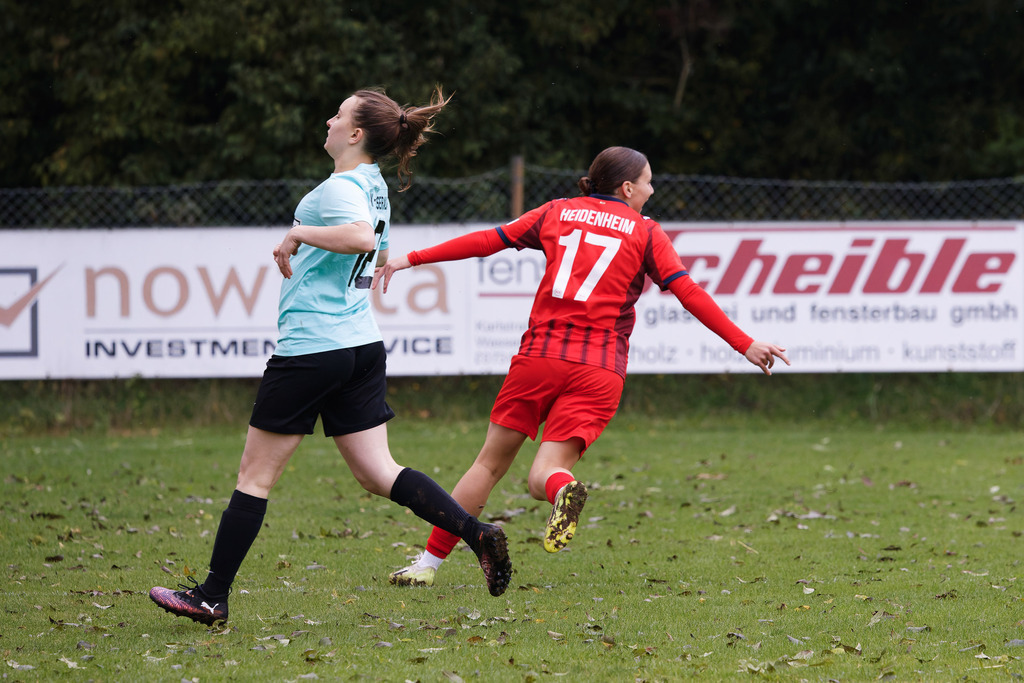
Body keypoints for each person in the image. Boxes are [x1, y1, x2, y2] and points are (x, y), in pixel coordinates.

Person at [149, 86, 512, 626]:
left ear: (356, 134)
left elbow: (363, 239)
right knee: (378, 472)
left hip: (313, 350)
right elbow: (381, 248)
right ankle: (475, 532)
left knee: (254, 478)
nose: (329, 119)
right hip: (360, 346)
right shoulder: (374, 185)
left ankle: (211, 596)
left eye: (338, 115)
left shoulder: (344, 186)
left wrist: (297, 232)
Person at [374, 146, 789, 588]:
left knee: (488, 466)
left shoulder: (557, 211)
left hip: (540, 359)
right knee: (543, 476)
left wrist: (410, 258)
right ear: (627, 188)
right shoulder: (646, 232)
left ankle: (427, 566)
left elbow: (488, 241)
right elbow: (687, 291)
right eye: (648, 182)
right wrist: (743, 343)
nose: (651, 190)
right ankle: (560, 490)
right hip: (600, 370)